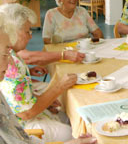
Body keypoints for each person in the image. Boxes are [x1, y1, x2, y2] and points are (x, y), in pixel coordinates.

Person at [0, 11, 97, 144]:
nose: (30, 36)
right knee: (71, 130)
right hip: (25, 124)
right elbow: (26, 113)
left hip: (23, 125)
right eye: (5, 53)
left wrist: (44, 100)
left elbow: (19, 97)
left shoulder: (13, 58)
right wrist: (59, 86)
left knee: (66, 115)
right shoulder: (13, 63)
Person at [0, 0, 85, 65]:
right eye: (27, 32)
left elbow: (18, 70)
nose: (31, 36)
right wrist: (64, 55)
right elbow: (28, 57)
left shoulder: (10, 47)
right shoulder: (4, 48)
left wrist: (29, 72)